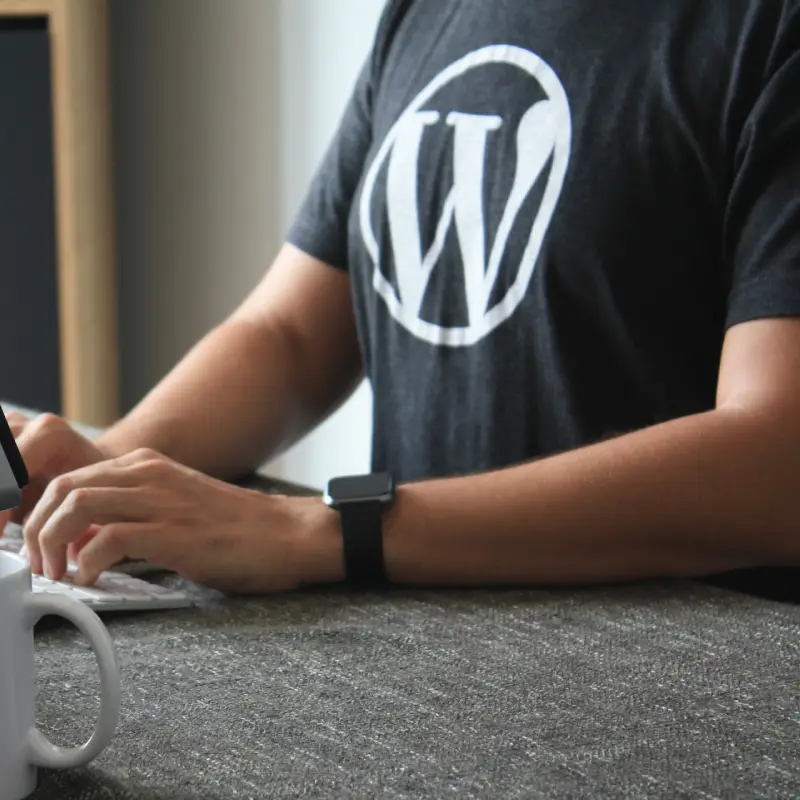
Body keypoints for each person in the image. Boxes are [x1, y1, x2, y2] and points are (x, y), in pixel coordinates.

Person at [2, 0, 800, 596]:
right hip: (429, 662)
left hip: (677, 694)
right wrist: (109, 474)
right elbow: (291, 334)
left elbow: (777, 462)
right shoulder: (425, 11)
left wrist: (326, 528)